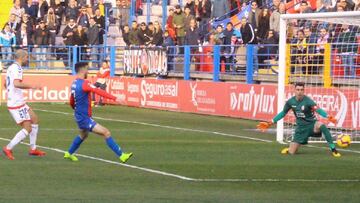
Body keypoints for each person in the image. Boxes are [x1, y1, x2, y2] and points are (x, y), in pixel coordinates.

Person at [64, 62, 133, 163]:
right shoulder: (84, 83)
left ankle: (69, 153)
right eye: (87, 69)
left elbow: (71, 100)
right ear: (82, 70)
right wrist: (115, 98)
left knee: (83, 135)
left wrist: (76, 110)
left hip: (79, 116)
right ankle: (122, 155)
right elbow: (98, 91)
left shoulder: (74, 83)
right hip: (84, 118)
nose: (88, 71)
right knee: (106, 132)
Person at [257, 82, 341, 157]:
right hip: (300, 128)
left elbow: (318, 109)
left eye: (301, 90)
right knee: (292, 152)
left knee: (322, 126)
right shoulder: (290, 102)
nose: (299, 91)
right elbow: (283, 113)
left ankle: (333, 149)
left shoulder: (308, 101)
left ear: (304, 91)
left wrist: (328, 116)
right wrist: (271, 122)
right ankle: (290, 148)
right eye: (298, 89)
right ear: (294, 90)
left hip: (312, 125)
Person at [2, 49, 46, 160]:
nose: (28, 59)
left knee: (35, 119)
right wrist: (33, 86)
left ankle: (33, 149)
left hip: (18, 100)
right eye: (27, 57)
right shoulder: (17, 68)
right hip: (16, 103)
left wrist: (11, 92)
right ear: (22, 57)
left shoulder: (11, 67)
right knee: (28, 128)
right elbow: (16, 83)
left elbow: (5, 83)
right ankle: (8, 148)